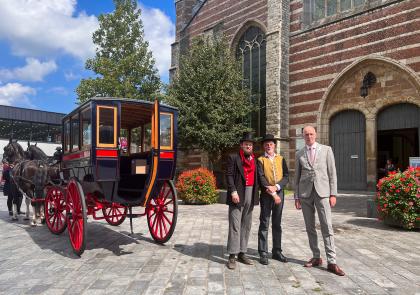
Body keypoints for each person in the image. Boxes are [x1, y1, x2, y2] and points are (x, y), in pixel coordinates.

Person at [294, 125, 345, 276]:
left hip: (323, 193)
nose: (309, 136)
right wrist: (296, 197)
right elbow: (296, 178)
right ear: (303, 136)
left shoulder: (327, 150)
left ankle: (332, 261)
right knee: (310, 227)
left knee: (327, 226)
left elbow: (332, 174)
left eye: (311, 134)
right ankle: (316, 257)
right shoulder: (299, 154)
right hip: (305, 194)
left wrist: (333, 194)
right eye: (306, 134)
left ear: (315, 134)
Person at [226, 132, 259, 270]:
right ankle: (232, 255)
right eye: (246, 144)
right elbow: (228, 175)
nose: (248, 146)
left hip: (251, 192)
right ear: (241, 145)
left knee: (247, 224)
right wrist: (233, 191)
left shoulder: (255, 160)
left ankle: (242, 252)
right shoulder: (233, 157)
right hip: (237, 192)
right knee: (235, 224)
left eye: (250, 144)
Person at [257, 134, 289, 265]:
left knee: (277, 223)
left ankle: (276, 251)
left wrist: (276, 187)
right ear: (264, 146)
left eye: (270, 144)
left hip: (279, 193)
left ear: (274, 145)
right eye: (266, 144)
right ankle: (263, 252)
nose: (268, 146)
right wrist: (271, 190)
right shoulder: (260, 160)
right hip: (266, 194)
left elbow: (286, 176)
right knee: (264, 223)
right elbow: (261, 178)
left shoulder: (281, 159)